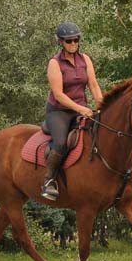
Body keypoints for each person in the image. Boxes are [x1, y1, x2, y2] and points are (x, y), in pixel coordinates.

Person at [41, 22, 104, 200]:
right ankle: (48, 181)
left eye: (76, 40)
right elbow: (59, 95)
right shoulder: (54, 63)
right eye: (69, 41)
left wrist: (102, 105)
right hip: (59, 112)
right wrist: (81, 108)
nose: (73, 43)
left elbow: (93, 85)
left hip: (80, 109)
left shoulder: (85, 60)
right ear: (61, 42)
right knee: (61, 142)